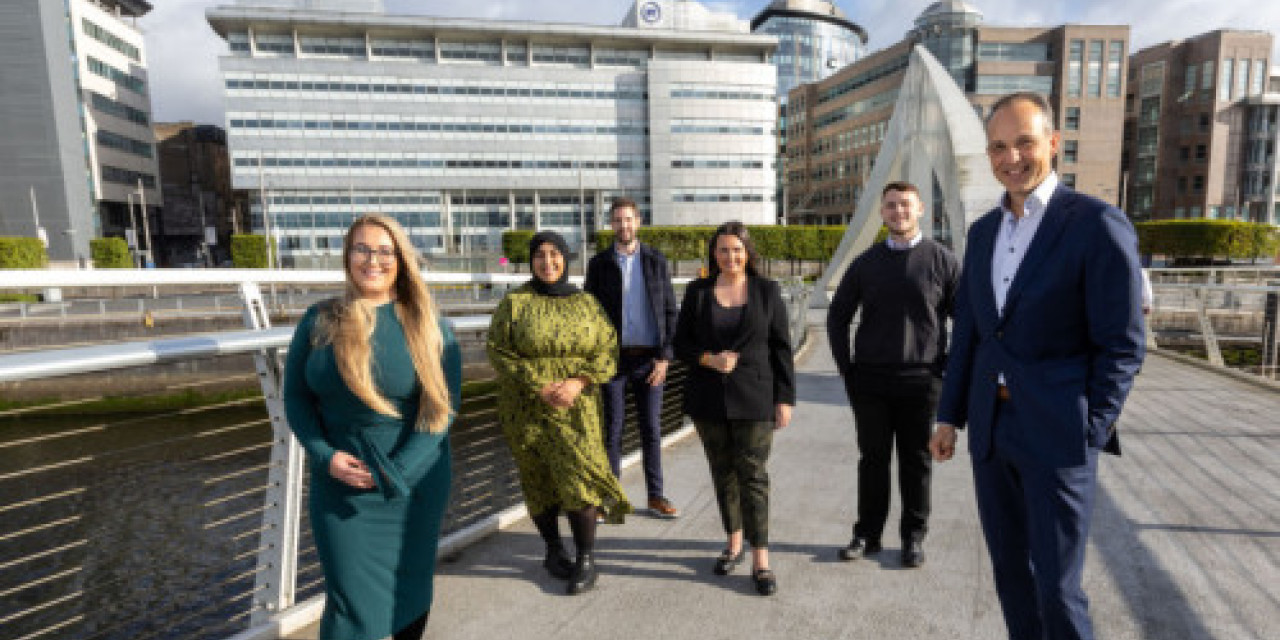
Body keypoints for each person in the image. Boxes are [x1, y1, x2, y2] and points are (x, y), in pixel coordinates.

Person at [929, 92, 1145, 640]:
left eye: (1024, 142)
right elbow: (971, 335)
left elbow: (1122, 345)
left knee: (1058, 588)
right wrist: (949, 415)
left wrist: (1089, 429)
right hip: (992, 434)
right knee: (1011, 579)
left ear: (1052, 142)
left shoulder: (1096, 224)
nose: (1011, 157)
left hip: (1058, 433)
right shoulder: (981, 234)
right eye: (998, 147)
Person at [283, 214, 462, 640]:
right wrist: (325, 457)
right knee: (346, 605)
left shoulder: (431, 327)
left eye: (384, 250)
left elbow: (440, 413)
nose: (372, 260)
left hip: (410, 484)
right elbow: (295, 398)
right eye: (361, 249)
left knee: (408, 592)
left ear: (400, 259)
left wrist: (394, 472)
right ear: (347, 256)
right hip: (339, 485)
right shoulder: (318, 321)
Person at [487, 231, 632, 595]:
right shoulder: (515, 303)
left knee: (579, 477)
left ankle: (586, 558)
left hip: (577, 406)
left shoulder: (586, 304)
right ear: (531, 260)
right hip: (525, 407)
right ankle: (553, 551)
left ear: (566, 258)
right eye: (540, 255)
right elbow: (498, 351)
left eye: (555, 254)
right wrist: (538, 384)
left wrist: (577, 382)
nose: (547, 261)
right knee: (538, 480)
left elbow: (607, 350)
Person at [826, 181, 958, 568]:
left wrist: (946, 368)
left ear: (921, 211)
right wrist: (846, 370)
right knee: (873, 460)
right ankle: (867, 534)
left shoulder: (942, 260)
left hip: (922, 380)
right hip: (870, 381)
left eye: (905, 205)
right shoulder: (865, 263)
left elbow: (964, 318)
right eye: (890, 206)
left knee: (917, 462)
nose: (898, 212)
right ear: (881, 213)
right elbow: (838, 317)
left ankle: (913, 538)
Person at [673, 221, 795, 596]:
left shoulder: (766, 291)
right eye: (723, 250)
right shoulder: (696, 293)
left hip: (755, 397)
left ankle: (761, 558)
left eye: (737, 250)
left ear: (748, 253)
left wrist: (785, 398)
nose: (730, 256)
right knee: (722, 473)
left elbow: (780, 348)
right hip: (708, 399)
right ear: (714, 253)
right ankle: (734, 543)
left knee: (753, 476)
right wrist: (708, 359)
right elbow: (680, 346)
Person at [583, 197, 681, 519]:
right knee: (612, 429)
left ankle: (656, 495)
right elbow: (589, 316)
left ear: (638, 222)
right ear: (611, 224)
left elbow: (669, 311)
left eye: (629, 219)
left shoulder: (655, 260)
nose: (623, 226)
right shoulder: (599, 265)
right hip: (613, 362)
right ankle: (610, 498)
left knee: (651, 428)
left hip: (650, 362)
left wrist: (665, 358)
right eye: (617, 220)